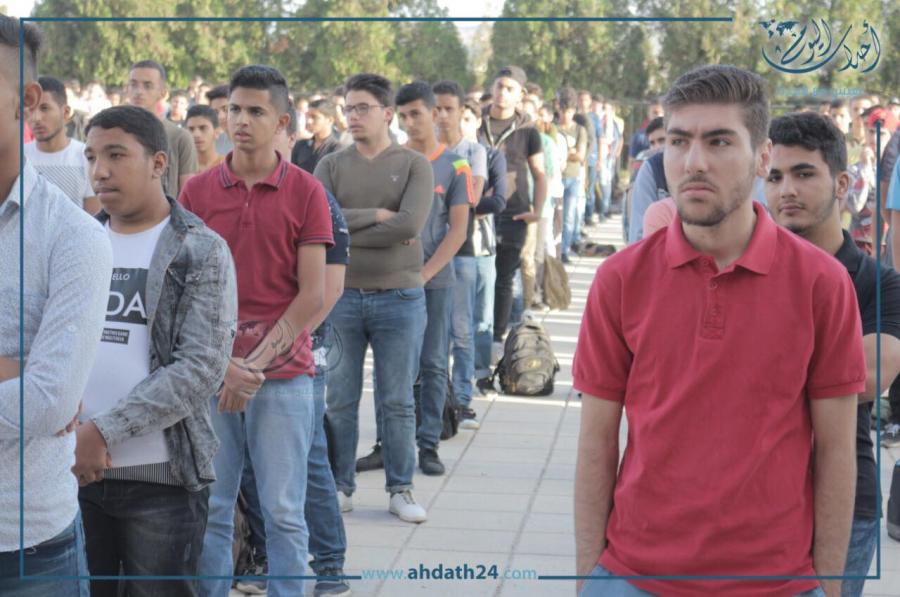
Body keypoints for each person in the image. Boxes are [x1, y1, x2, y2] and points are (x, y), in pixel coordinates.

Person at [574, 65, 865, 597]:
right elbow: (596, 441)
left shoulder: (822, 284)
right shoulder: (620, 279)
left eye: (719, 141)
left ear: (761, 157)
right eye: (679, 141)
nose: (694, 162)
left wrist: (826, 585)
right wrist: (588, 578)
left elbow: (837, 451)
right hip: (634, 575)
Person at [183, 65, 333, 597]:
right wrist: (224, 366)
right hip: (210, 375)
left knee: (284, 512)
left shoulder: (307, 191)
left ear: (282, 122)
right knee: (212, 509)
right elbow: (184, 292)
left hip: (284, 376)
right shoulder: (196, 191)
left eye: (255, 111)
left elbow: (312, 295)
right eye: (234, 110)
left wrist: (251, 367)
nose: (241, 120)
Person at [76, 105, 237, 597]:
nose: (100, 171)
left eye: (116, 155)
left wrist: (104, 430)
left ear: (159, 163)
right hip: (74, 472)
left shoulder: (199, 249)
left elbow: (200, 367)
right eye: (92, 157)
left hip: (161, 481)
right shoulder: (77, 242)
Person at [766, 111, 900, 597]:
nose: (787, 190)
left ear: (841, 184)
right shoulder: (743, 270)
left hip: (844, 501)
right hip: (749, 494)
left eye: (804, 174)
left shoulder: (881, 284)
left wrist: (755, 360)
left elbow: (867, 377)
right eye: (775, 177)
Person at [0, 16, 112, 597]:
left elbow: (48, 403)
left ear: (26, 100)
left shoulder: (74, 236)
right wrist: (20, 369)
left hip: (26, 545)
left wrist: (41, 383)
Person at [314, 73, 432, 523]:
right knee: (340, 399)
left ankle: (400, 488)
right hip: (341, 296)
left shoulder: (414, 164)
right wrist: (379, 215)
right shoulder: (331, 164)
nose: (353, 116)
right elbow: (320, 223)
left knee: (397, 400)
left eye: (363, 108)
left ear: (387, 113)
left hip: (399, 297)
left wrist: (351, 228)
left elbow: (410, 225)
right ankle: (341, 485)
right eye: (348, 108)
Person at [395, 81, 472, 474]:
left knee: (433, 362)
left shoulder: (457, 166)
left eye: (417, 114)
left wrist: (424, 275)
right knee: (395, 366)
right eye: (403, 116)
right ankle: (390, 443)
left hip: (435, 282)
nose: (410, 122)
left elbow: (457, 231)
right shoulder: (392, 160)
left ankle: (428, 443)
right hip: (392, 281)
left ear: (435, 113)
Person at [478, 66, 546, 361]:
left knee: (504, 278)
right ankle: (472, 335)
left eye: (510, 89)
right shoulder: (476, 121)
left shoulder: (528, 130)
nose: (502, 93)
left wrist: (536, 212)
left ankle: (496, 338)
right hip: (477, 212)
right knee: (477, 277)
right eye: (499, 86)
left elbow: (540, 174)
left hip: (514, 213)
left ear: (521, 95)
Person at [433, 82, 491, 428]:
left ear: (460, 112)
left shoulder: (473, 151)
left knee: (461, 329)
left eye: (448, 109)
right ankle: (438, 402)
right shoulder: (423, 150)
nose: (442, 115)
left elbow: (473, 196)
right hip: (428, 250)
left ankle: (464, 400)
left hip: (463, 248)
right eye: (436, 109)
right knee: (433, 334)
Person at [25, 75, 99, 213]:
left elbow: (94, 217)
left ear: (65, 112)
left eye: (44, 108)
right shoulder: (18, 158)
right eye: (31, 109)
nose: (36, 118)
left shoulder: (86, 157)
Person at [125, 60, 197, 198]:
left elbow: (188, 196)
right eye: (133, 85)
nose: (139, 92)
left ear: (163, 93)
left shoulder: (180, 137)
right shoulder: (115, 134)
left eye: (148, 86)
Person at [557, 87, 588, 263]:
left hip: (573, 177)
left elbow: (580, 155)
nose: (566, 115)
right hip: (556, 178)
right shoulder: (553, 128)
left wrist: (564, 153)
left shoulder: (579, 130)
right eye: (563, 111)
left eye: (569, 111)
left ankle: (564, 250)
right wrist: (570, 151)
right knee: (556, 217)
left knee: (569, 216)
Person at [292, 98, 342, 174]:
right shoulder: (300, 145)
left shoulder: (337, 150)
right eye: (307, 116)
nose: (309, 121)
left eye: (314, 117)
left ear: (330, 120)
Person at [184, 104, 225, 172]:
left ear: (217, 132)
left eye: (203, 128)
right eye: (191, 129)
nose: (196, 135)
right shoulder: (181, 167)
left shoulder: (228, 166)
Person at [205, 84, 234, 156]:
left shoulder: (255, 142)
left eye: (226, 109)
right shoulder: (214, 142)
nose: (221, 117)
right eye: (216, 112)